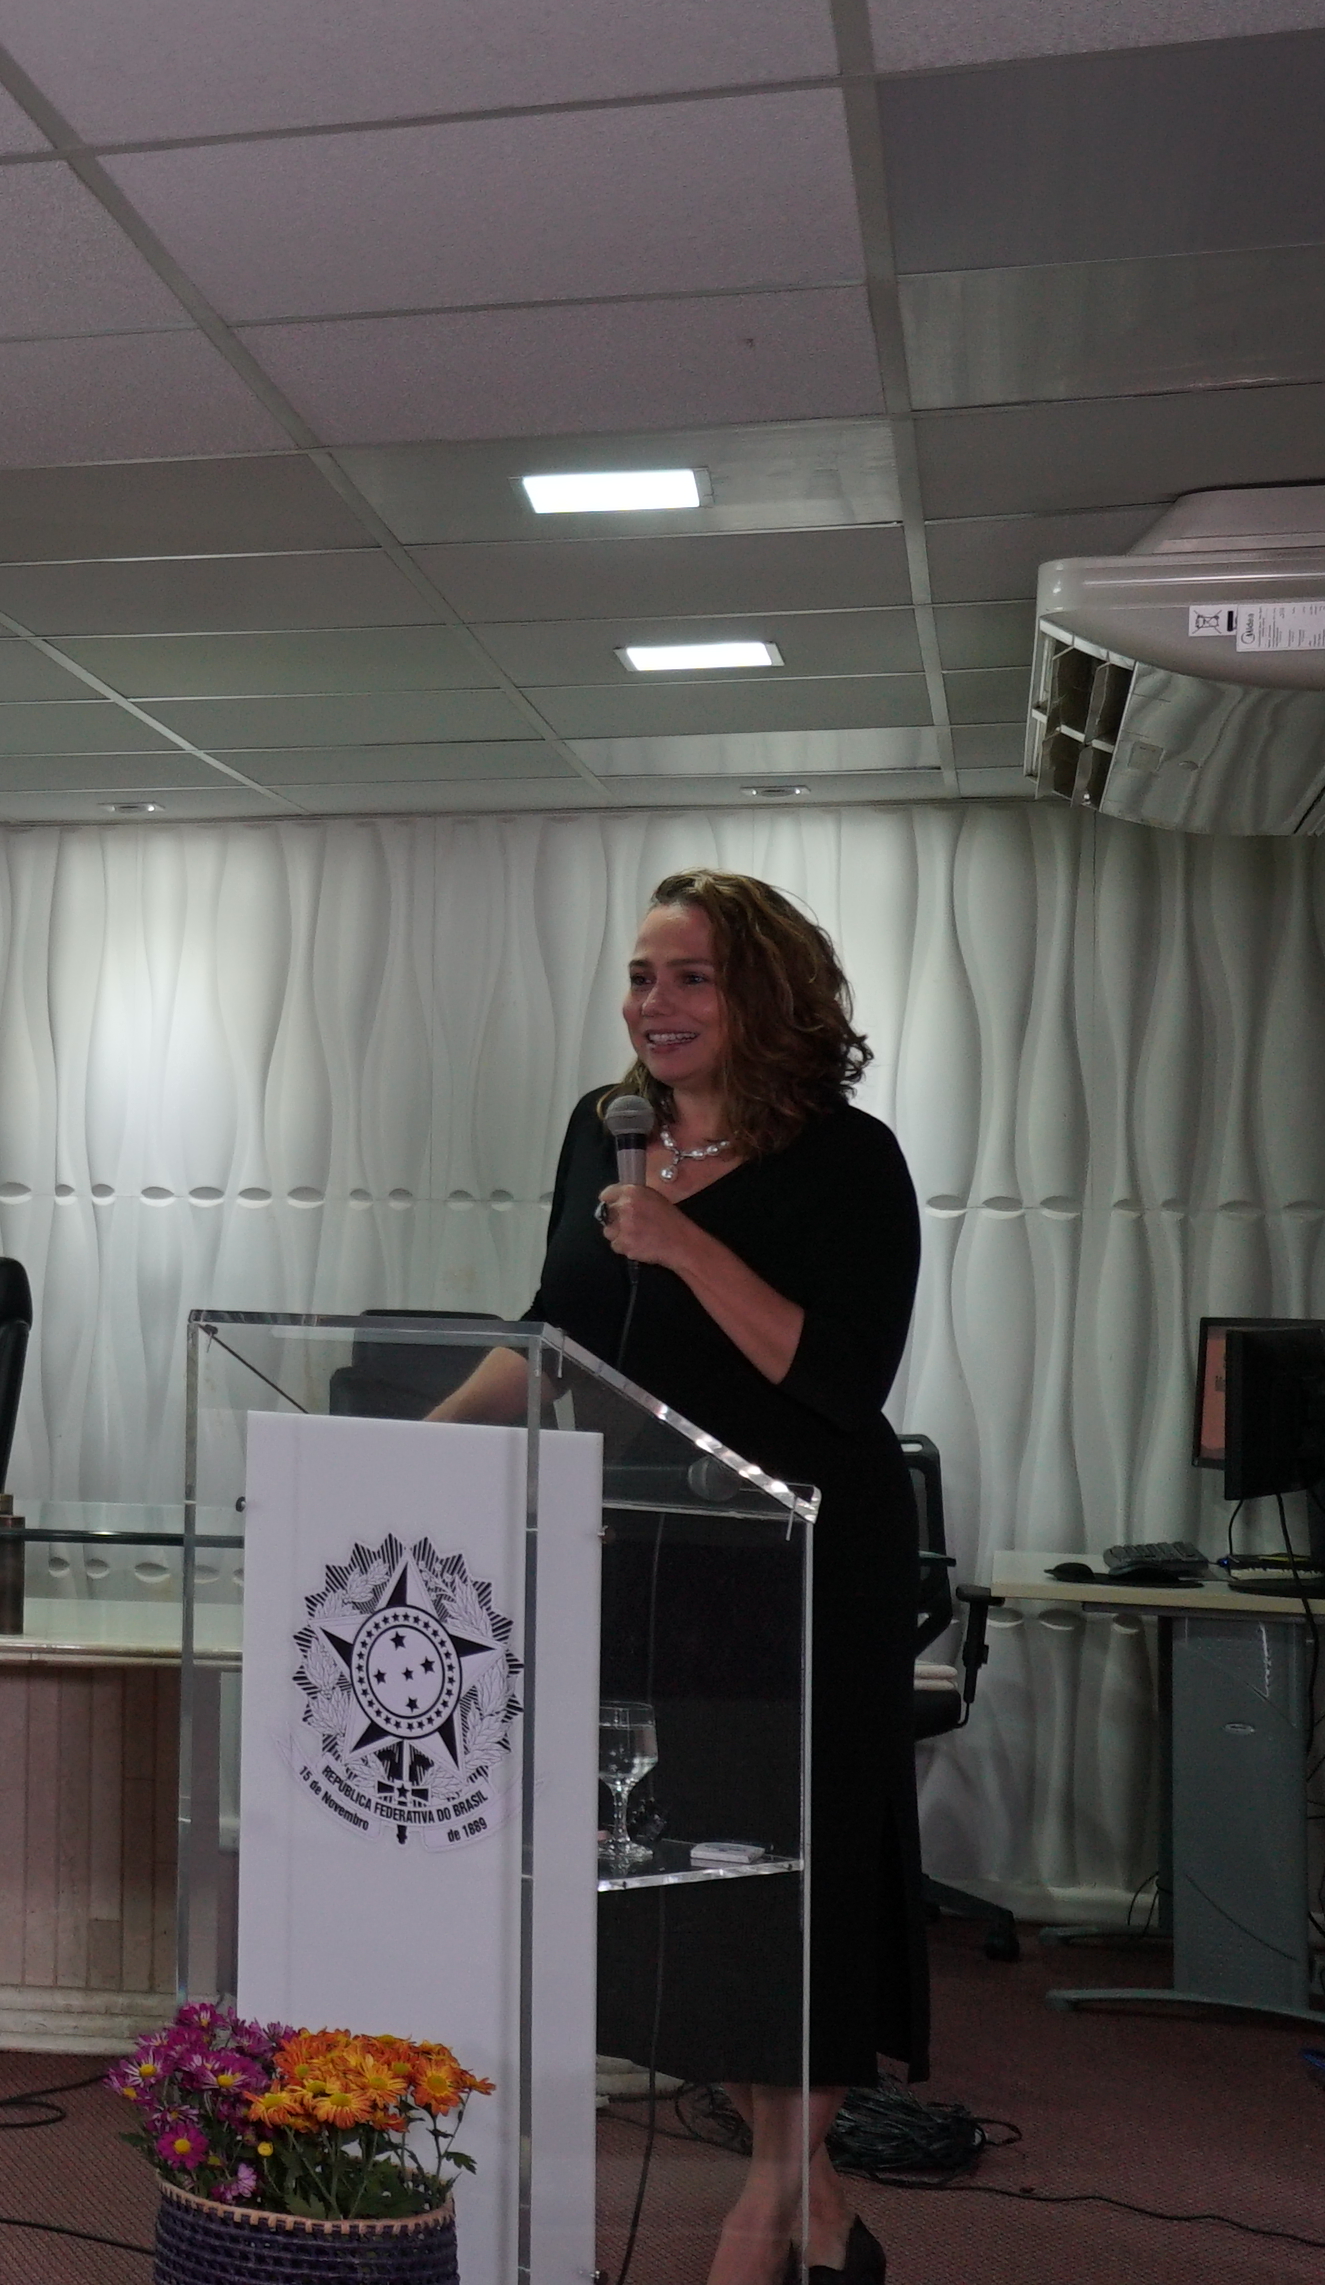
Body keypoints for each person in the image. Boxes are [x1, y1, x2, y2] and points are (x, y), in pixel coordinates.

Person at [429, 869, 923, 2285]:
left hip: (815, 1561)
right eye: (643, 977)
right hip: (666, 1564)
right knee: (716, 1883)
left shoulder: (848, 1158)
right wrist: (410, 1450)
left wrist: (681, 1239)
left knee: (804, 1881)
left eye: (690, 977)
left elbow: (835, 1375)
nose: (655, 1005)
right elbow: (557, 1332)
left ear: (762, 992)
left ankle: (762, 2210)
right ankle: (817, 2197)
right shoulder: (605, 1133)